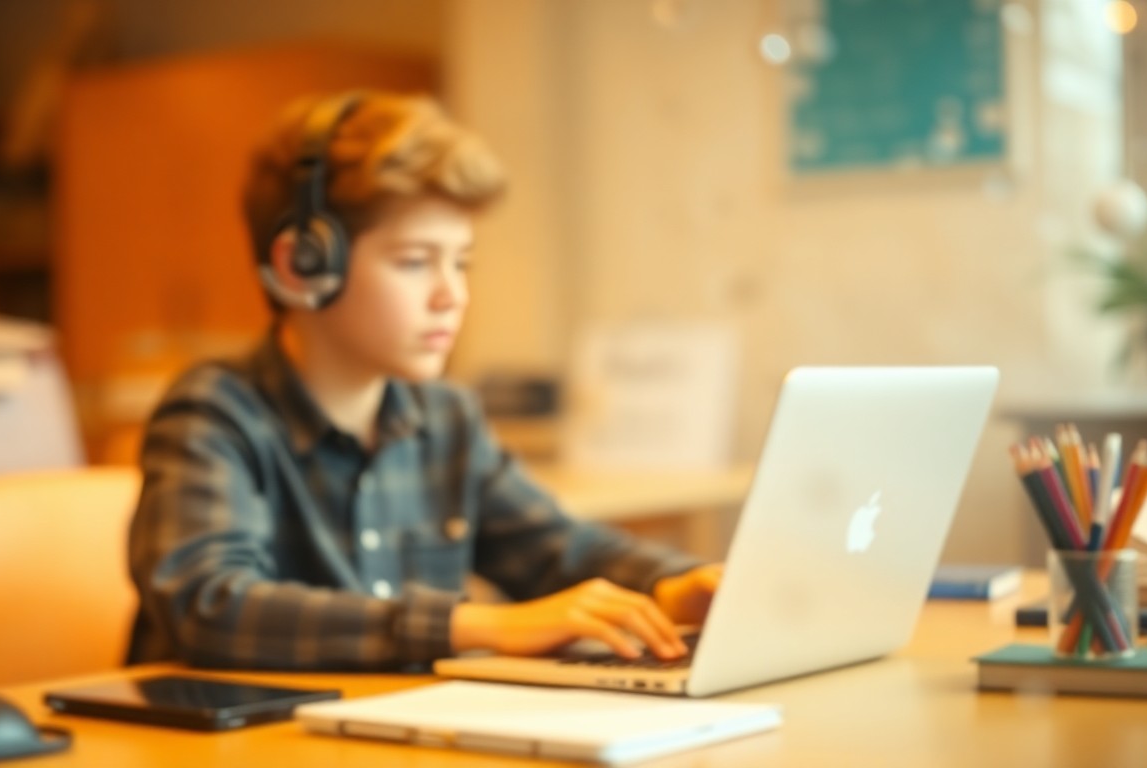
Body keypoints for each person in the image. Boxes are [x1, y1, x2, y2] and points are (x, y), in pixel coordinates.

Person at [127, 90, 722, 672]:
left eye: (461, 261)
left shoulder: (445, 419)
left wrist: (673, 585)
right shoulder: (215, 412)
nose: (452, 295)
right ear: (302, 263)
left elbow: (556, 549)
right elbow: (206, 603)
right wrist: (481, 625)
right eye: (414, 261)